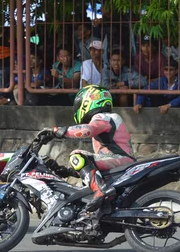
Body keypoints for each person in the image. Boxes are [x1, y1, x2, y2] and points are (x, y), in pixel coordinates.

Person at [45, 85, 135, 220]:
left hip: (119, 159)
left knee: (77, 155)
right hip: (119, 160)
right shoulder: (109, 117)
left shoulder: (103, 117)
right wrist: (67, 171)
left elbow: (89, 129)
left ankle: (100, 191)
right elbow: (91, 168)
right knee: (84, 162)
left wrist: (61, 131)